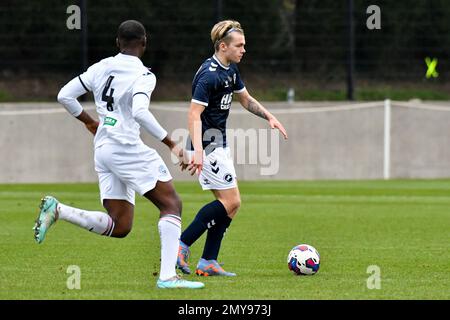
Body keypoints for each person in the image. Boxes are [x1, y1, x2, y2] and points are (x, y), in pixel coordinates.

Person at [33, 20, 204, 289]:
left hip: (103, 149)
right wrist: (173, 144)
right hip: (126, 148)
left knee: (120, 225)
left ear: (117, 43)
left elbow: (64, 95)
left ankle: (59, 211)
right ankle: (168, 277)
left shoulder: (101, 67)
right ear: (144, 43)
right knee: (172, 205)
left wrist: (90, 122)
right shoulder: (144, 75)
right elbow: (139, 112)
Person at [177, 20, 288, 276]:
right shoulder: (209, 74)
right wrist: (197, 152)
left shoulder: (231, 70)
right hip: (208, 145)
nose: (243, 50)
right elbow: (194, 115)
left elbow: (246, 99)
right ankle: (181, 245)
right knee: (232, 200)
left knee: (230, 204)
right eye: (239, 45)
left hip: (219, 144)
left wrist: (269, 116)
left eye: (244, 45)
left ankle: (208, 261)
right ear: (223, 46)